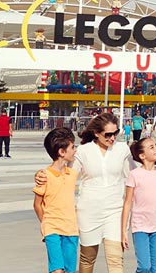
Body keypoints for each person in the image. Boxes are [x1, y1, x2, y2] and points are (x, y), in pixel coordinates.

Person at [36, 112, 133, 272]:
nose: (112, 138)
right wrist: (41, 174)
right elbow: (64, 174)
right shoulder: (83, 151)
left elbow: (134, 176)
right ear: (96, 133)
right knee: (87, 260)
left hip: (114, 211)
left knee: (116, 260)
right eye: (108, 134)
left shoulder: (122, 149)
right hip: (88, 212)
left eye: (115, 133)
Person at [33, 128, 79, 273]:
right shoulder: (45, 175)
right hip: (52, 228)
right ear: (61, 152)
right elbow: (37, 204)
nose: (75, 150)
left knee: (69, 269)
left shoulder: (72, 174)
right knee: (57, 269)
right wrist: (46, 223)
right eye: (72, 147)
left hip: (71, 229)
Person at [121, 138, 156, 273]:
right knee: (144, 267)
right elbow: (127, 203)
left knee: (154, 269)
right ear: (142, 156)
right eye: (151, 147)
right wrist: (124, 230)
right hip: (140, 226)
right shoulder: (134, 175)